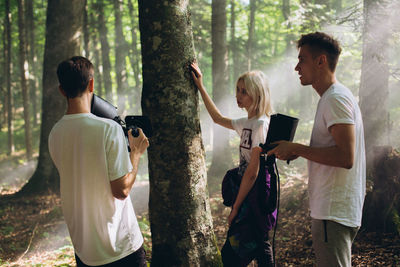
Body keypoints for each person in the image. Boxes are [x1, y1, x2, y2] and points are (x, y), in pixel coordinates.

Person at [268, 32, 366, 266]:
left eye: (302, 59)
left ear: (321, 61)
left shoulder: (335, 98)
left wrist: (299, 148)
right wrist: (295, 150)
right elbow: (335, 150)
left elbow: (346, 157)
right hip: (335, 211)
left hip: (333, 213)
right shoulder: (334, 97)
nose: (296, 67)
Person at [49, 56, 149, 267]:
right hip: (119, 247)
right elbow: (121, 190)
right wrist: (136, 153)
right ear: (91, 84)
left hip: (84, 248)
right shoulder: (107, 129)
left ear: (62, 90)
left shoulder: (55, 134)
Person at [191, 62, 276, 266]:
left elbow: (252, 173)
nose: (238, 95)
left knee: (238, 252)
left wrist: (236, 207)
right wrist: (200, 86)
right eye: (238, 90)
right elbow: (217, 118)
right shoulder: (246, 123)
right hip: (249, 196)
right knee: (259, 244)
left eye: (244, 91)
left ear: (257, 94)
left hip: (255, 197)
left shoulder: (260, 125)